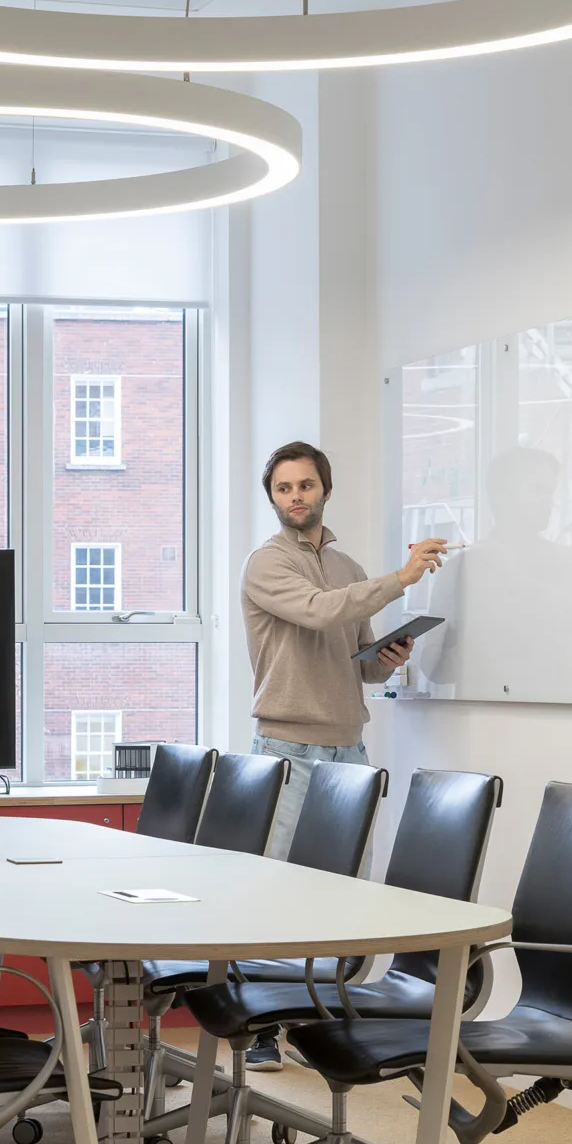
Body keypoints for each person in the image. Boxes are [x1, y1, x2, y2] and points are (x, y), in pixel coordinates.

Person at [241, 442, 446, 1064]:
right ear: (272, 496)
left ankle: (318, 1019)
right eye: (283, 488)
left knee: (340, 893)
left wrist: (384, 659)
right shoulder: (266, 564)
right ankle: (260, 1030)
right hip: (286, 746)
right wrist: (400, 580)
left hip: (347, 749)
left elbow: (354, 659)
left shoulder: (351, 566)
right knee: (277, 893)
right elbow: (318, 612)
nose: (295, 497)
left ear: (326, 490)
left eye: (305, 485)